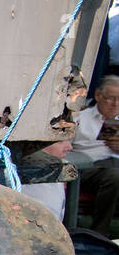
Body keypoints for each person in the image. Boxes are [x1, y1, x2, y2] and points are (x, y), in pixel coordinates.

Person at [42, 75, 119, 236]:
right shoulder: (79, 118)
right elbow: (62, 147)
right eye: (111, 98)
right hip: (88, 167)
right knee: (114, 176)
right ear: (98, 96)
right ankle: (101, 233)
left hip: (114, 163)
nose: (115, 105)